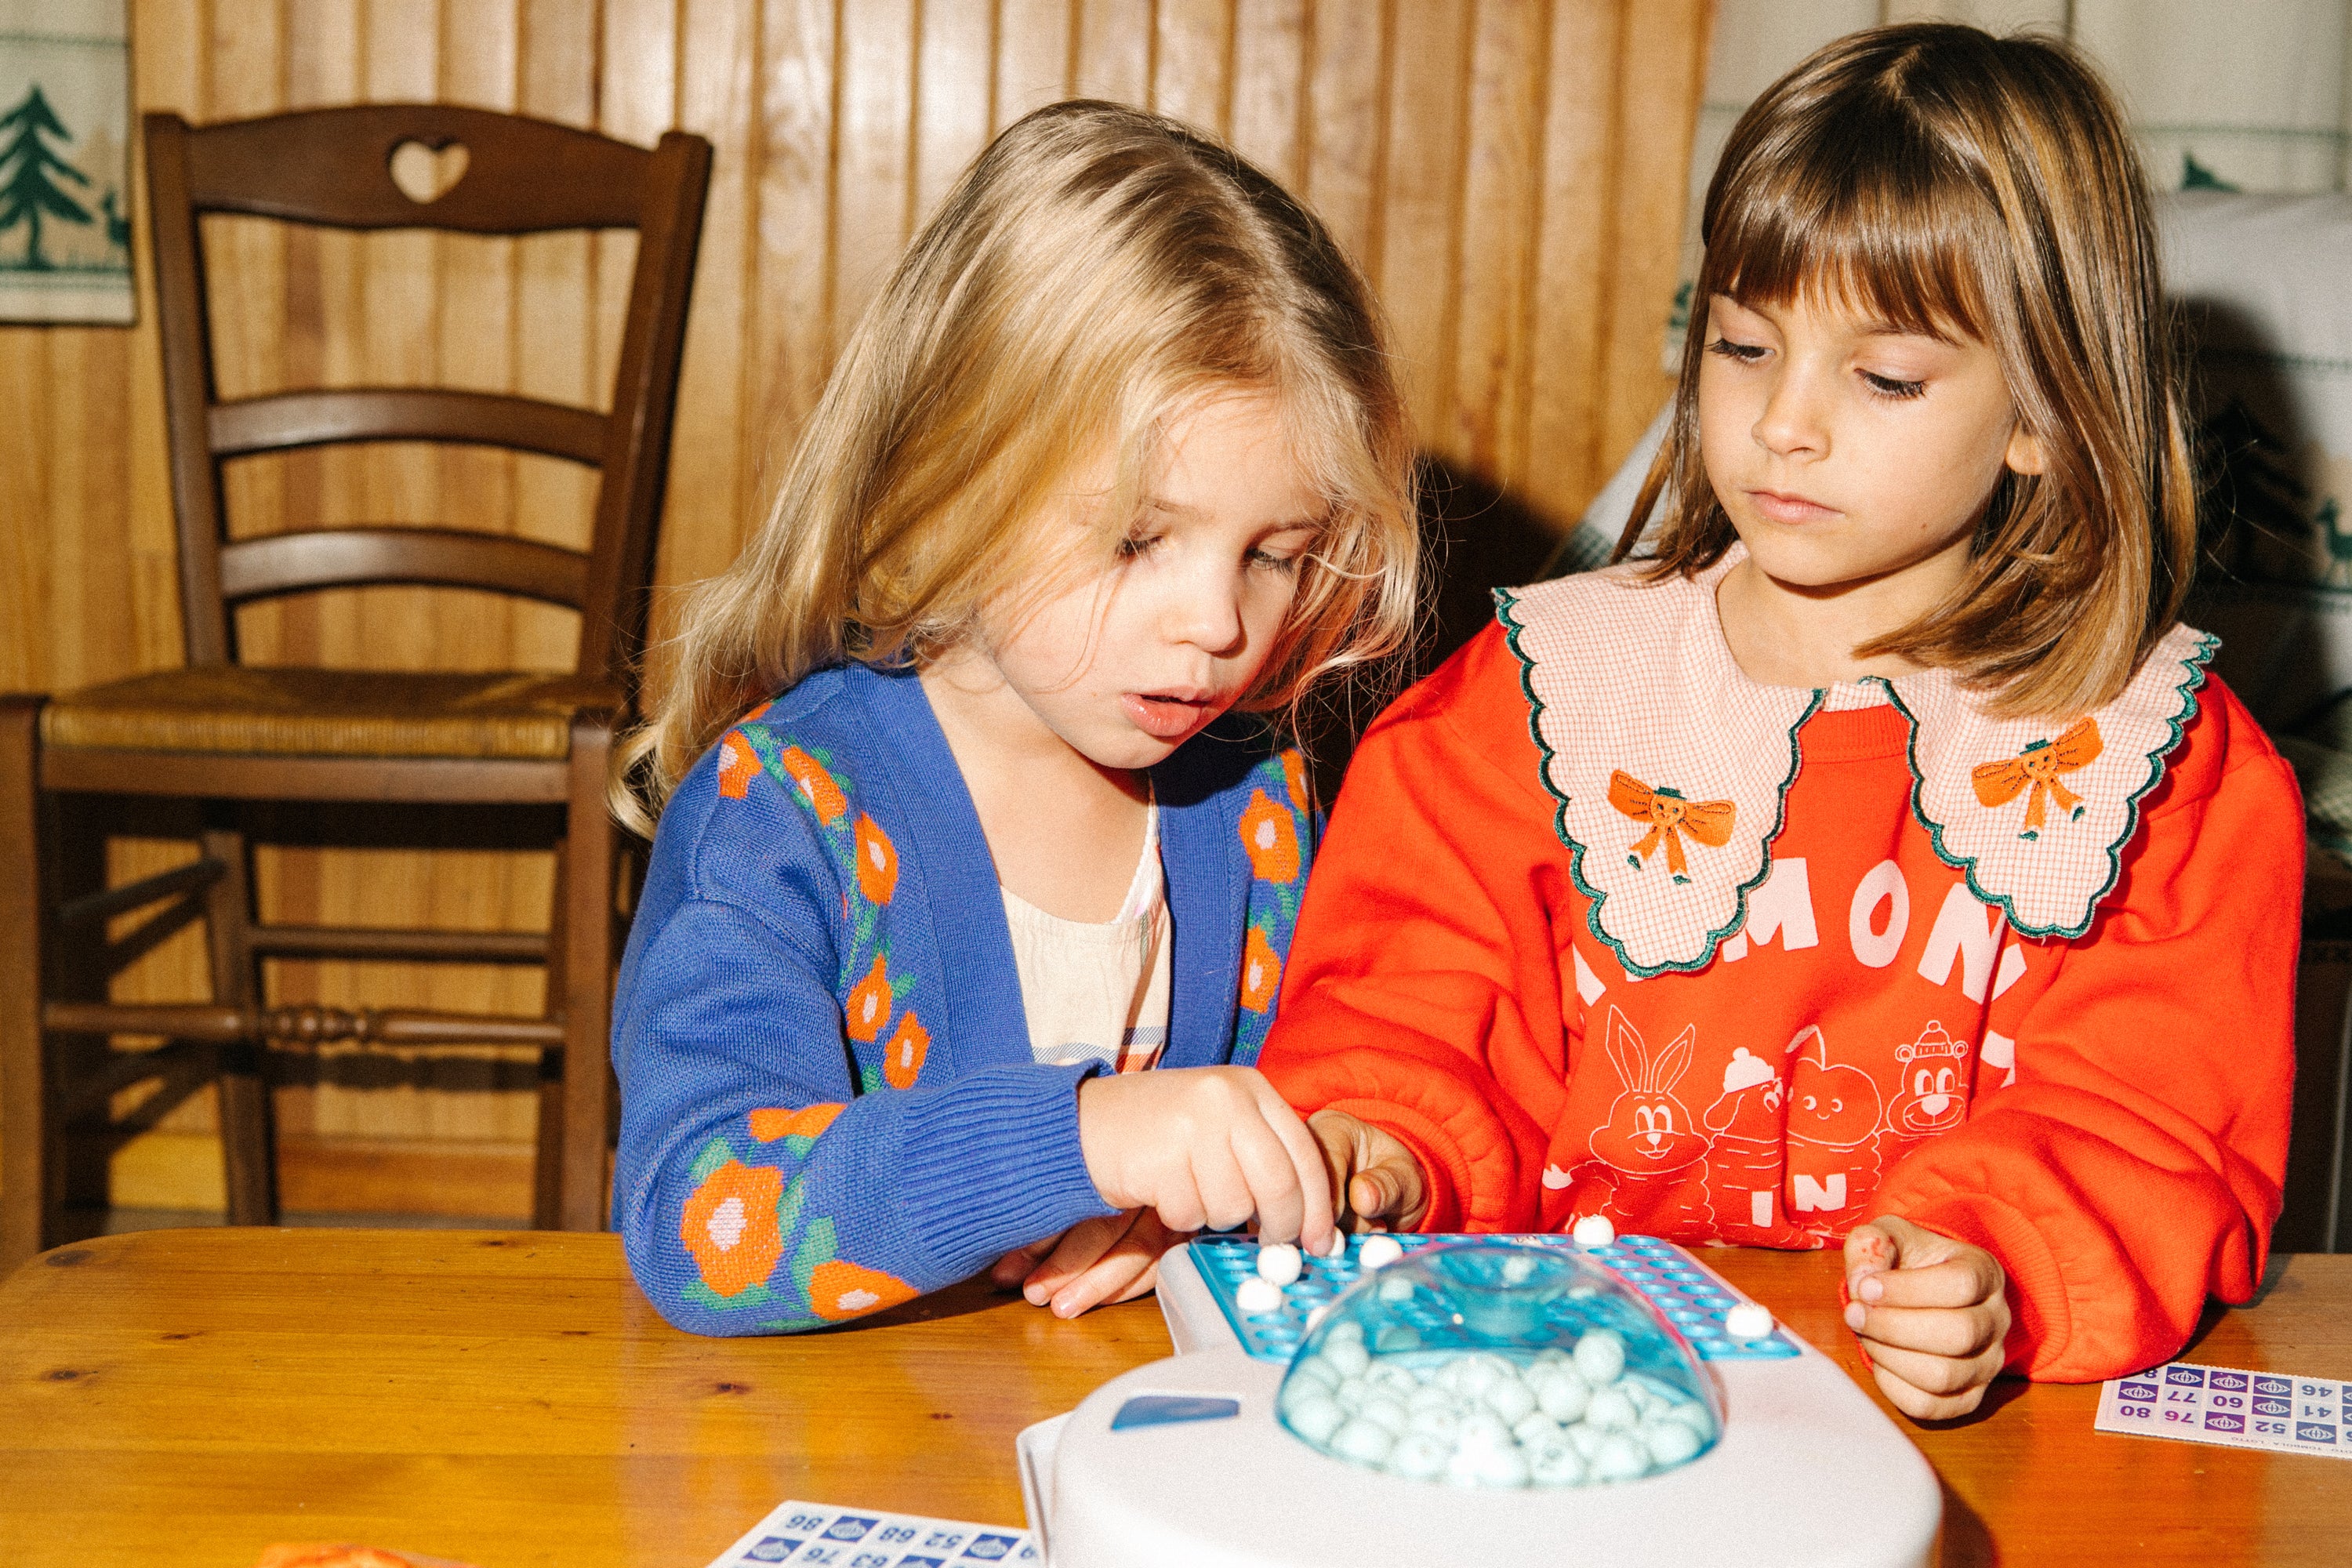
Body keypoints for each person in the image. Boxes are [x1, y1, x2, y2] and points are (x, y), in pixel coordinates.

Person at [1262, 23, 2302, 1419]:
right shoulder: (1533, 702)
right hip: (1548, 1383)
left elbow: (2153, 1119)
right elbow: (1411, 1010)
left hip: (1943, 1426)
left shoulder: (2165, 766)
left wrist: (1997, 1259)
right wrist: (1378, 1143)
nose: (1783, 426)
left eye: (1882, 378)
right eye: (1744, 345)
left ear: (2044, 417)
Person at [610, 101, 1417, 1336]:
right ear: (952, 478)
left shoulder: (1253, 793)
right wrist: (1085, 1140)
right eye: (1139, 538)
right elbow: (697, 1225)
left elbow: (1306, 1082)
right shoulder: (778, 812)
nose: (1217, 622)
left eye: (1276, 554)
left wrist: (1331, 1155)